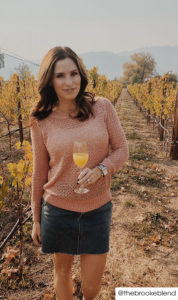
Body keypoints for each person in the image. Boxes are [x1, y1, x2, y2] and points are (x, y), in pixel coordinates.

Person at [29, 46, 129, 300]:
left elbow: (121, 150)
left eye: (73, 73)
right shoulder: (41, 120)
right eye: (60, 75)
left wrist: (101, 170)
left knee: (91, 288)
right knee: (61, 275)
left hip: (97, 209)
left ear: (81, 75)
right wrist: (36, 218)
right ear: (50, 80)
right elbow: (39, 172)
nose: (69, 81)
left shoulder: (102, 108)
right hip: (58, 209)